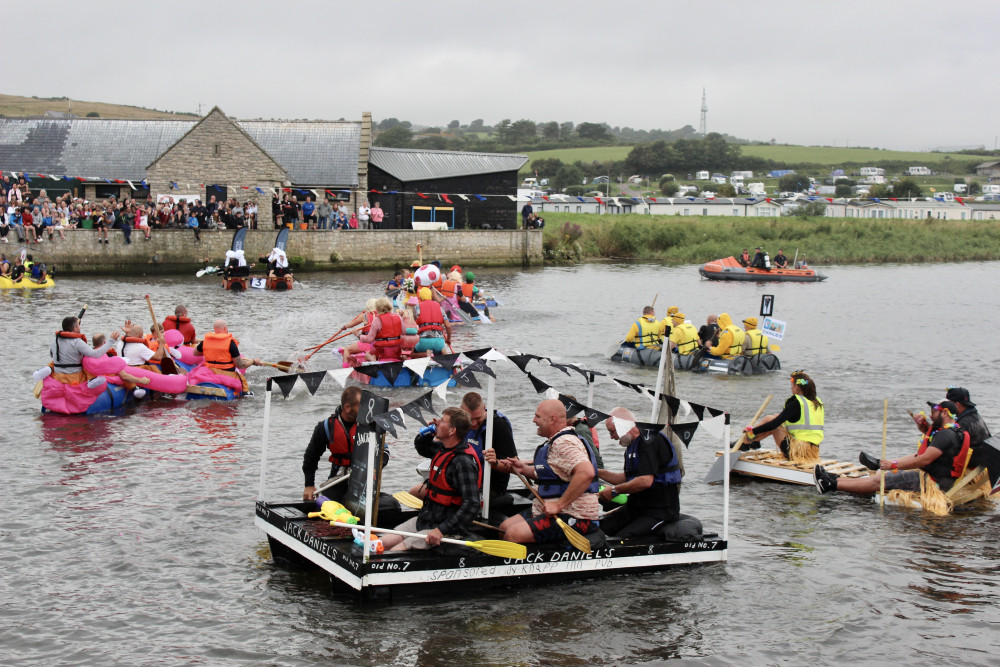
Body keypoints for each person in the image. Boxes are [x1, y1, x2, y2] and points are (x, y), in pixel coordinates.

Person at [489, 399, 600, 544]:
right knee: (504, 527)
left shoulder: (564, 443)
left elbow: (586, 473)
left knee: (513, 534)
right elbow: (554, 475)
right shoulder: (554, 441)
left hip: (574, 515)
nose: (534, 420)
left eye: (538, 417)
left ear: (552, 419)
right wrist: (523, 469)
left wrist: (558, 505)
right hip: (548, 509)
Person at [381, 407, 480, 551]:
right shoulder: (443, 448)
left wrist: (441, 530)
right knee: (379, 544)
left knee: (392, 552)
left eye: (442, 421)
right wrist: (429, 432)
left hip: (445, 529)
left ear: (452, 430)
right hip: (426, 520)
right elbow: (421, 446)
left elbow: (472, 504)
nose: (437, 422)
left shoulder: (463, 463)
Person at [817, 401, 967, 495]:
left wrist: (893, 465)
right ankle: (837, 479)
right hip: (934, 477)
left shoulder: (945, 435)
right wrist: (891, 463)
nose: (930, 414)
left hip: (932, 482)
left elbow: (924, 460)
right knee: (882, 476)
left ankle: (831, 485)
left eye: (934, 411)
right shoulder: (953, 430)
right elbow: (919, 455)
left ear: (945, 413)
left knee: (880, 481)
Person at [598, 407, 681, 538]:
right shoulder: (632, 445)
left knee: (623, 537)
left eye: (612, 432)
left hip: (659, 511)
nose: (611, 437)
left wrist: (614, 491)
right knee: (601, 528)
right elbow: (628, 478)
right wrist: (597, 472)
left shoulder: (649, 441)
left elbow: (645, 481)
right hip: (636, 507)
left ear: (623, 425)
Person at [741, 370, 824, 462]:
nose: (791, 388)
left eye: (791, 385)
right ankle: (754, 442)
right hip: (812, 452)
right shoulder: (817, 402)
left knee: (771, 421)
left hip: (797, 451)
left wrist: (753, 431)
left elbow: (774, 424)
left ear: (796, 387)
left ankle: (745, 442)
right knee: (773, 417)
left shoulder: (796, 403)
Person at [301, 386, 362, 502]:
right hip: (338, 478)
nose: (365, 409)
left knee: (390, 505)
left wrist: (375, 467)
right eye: (361, 406)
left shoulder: (369, 426)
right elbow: (311, 457)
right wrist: (309, 485)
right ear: (347, 408)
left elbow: (384, 452)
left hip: (363, 479)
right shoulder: (325, 427)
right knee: (321, 505)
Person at [934, 388, 998, 487]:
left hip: (974, 459)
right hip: (982, 456)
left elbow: (947, 442)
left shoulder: (963, 423)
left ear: (957, 405)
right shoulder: (975, 416)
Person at [461, 391, 519, 498]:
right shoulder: (459, 422)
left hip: (490, 486)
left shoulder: (499, 426)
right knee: (419, 490)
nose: (473, 424)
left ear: (484, 408)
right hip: (463, 480)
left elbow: (515, 466)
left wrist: (494, 462)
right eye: (469, 419)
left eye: (478, 418)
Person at [40, 315, 121, 386]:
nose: (80, 327)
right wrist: (111, 341)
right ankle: (91, 380)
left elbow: (52, 355)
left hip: (58, 375)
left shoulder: (55, 340)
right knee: (87, 360)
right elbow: (95, 354)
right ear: (74, 329)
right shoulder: (77, 342)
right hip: (74, 376)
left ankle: (47, 370)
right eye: (78, 325)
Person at [195, 319, 261, 393]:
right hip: (227, 373)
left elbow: (196, 353)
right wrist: (253, 361)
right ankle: (246, 393)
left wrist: (209, 351)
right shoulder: (231, 342)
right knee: (243, 382)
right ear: (225, 329)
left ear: (214, 329)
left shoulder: (206, 340)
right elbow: (240, 365)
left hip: (209, 371)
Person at [358, 297, 403, 361]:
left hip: (383, 350)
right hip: (397, 349)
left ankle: (375, 366)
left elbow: (369, 339)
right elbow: (404, 332)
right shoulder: (398, 317)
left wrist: (358, 335)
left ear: (377, 308)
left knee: (367, 355)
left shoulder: (377, 320)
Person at [413, 287, 452, 356]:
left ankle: (426, 354)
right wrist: (448, 339)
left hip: (425, 341)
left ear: (420, 297)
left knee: (412, 354)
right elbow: (448, 326)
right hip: (439, 341)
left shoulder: (417, 307)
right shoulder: (439, 307)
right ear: (431, 296)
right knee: (439, 350)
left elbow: (415, 322)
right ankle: (443, 352)